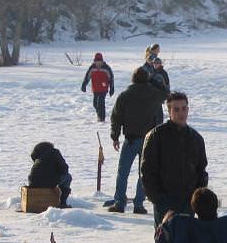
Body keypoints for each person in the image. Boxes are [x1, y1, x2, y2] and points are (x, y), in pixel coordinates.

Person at [141, 91, 208, 227]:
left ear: (188, 110)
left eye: (184, 108)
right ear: (169, 111)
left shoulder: (196, 138)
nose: (181, 113)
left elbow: (201, 170)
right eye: (176, 109)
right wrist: (158, 199)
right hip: (164, 202)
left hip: (188, 202)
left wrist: (197, 198)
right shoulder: (156, 136)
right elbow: (147, 171)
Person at [108, 68, 166, 214]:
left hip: (131, 139)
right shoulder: (153, 94)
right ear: (146, 79)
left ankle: (119, 202)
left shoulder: (125, 95)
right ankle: (139, 204)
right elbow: (166, 95)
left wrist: (115, 136)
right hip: (149, 140)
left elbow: (116, 116)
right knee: (144, 173)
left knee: (123, 172)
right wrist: (154, 81)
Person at [28, 141, 72, 208]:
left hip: (33, 183)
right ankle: (63, 203)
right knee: (68, 177)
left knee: (56, 178)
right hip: (48, 182)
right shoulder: (54, 152)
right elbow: (64, 169)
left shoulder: (39, 157)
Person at [81, 52, 114, 123]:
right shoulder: (92, 68)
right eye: (96, 62)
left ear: (102, 61)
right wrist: (84, 85)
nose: (98, 63)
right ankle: (99, 114)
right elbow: (87, 77)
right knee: (95, 103)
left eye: (100, 61)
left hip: (103, 88)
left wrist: (112, 88)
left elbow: (111, 78)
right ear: (94, 61)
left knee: (101, 102)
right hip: (95, 89)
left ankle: (102, 118)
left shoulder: (106, 68)